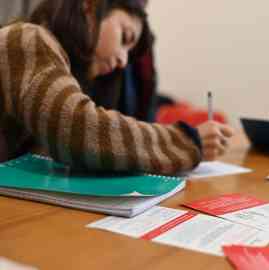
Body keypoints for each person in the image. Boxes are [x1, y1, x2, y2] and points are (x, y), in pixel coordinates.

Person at [0, 0, 234, 174]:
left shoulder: (61, 66)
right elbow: (77, 129)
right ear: (90, 7)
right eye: (125, 37)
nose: (123, 61)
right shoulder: (26, 38)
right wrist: (188, 141)